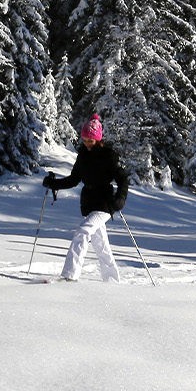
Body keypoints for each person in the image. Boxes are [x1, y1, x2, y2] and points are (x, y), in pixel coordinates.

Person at [43, 114, 130, 282]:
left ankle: (70, 275)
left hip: (105, 203)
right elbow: (73, 180)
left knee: (82, 232)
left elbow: (123, 179)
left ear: (97, 139)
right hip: (89, 202)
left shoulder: (108, 155)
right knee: (101, 244)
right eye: (84, 139)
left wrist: (120, 199)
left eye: (90, 140)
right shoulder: (82, 155)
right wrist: (53, 184)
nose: (87, 143)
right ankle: (112, 279)